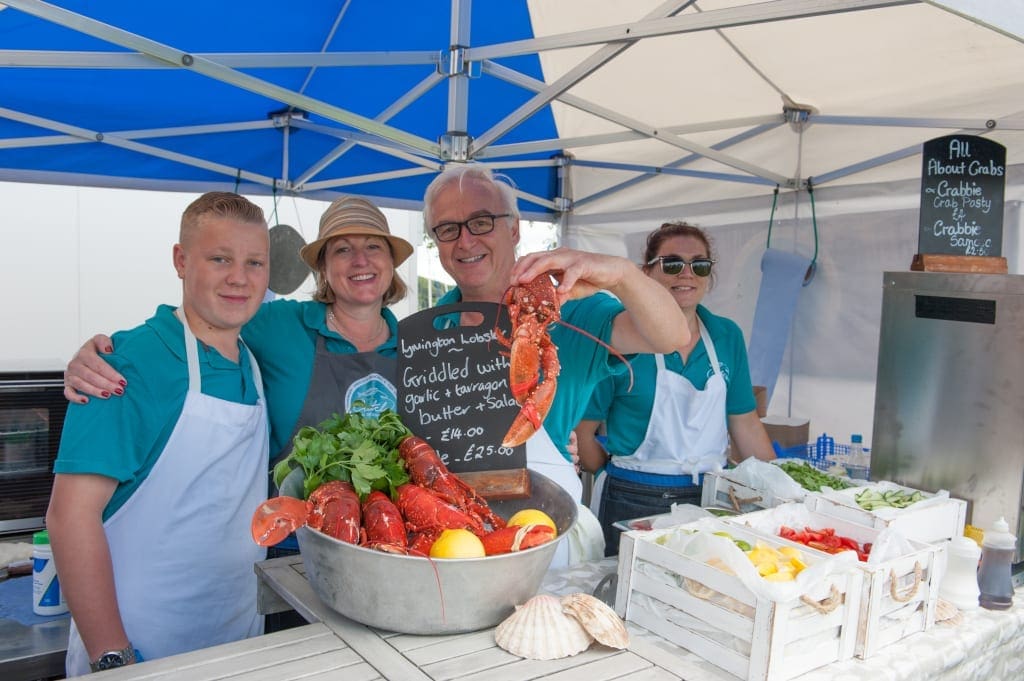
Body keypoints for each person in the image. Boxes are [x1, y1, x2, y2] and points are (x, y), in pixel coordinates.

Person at [47, 192, 271, 675]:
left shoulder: (253, 363)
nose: (240, 277)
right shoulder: (126, 364)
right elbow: (69, 518)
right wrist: (114, 657)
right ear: (180, 260)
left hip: (236, 637)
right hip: (139, 647)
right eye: (220, 259)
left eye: (255, 262)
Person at [62, 196, 414, 473]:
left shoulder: (419, 347)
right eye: (342, 249)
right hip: (286, 544)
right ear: (323, 267)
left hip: (388, 543)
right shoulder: (278, 323)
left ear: (391, 261)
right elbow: (201, 313)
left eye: (373, 247)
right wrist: (104, 352)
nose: (360, 260)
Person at [422, 165, 690, 517]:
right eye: (447, 229)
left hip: (545, 519)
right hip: (450, 517)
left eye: (482, 221)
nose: (465, 240)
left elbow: (672, 336)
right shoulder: (431, 325)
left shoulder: (572, 305)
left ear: (514, 228)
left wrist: (621, 274)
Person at [574, 222, 776, 556]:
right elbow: (583, 433)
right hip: (632, 498)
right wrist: (619, 474)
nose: (686, 273)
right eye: (672, 264)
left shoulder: (726, 336)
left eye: (699, 264)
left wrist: (778, 486)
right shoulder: (618, 337)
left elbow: (745, 422)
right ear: (645, 274)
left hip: (711, 499)